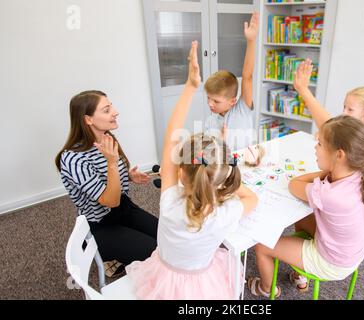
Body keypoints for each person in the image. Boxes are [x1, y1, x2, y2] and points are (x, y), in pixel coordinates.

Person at [125, 41, 258, 300]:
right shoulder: (224, 213)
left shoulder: (170, 200)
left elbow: (170, 138)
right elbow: (252, 198)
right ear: (220, 179)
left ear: (181, 173)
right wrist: (226, 169)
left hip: (164, 277)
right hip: (205, 285)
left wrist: (190, 85)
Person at [248, 115, 364, 298]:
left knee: (261, 246)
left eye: (320, 143)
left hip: (331, 262)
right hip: (352, 252)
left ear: (339, 155)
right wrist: (332, 168)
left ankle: (266, 289)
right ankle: (299, 276)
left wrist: (326, 170)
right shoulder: (361, 172)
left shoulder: (329, 195)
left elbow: (293, 184)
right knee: (304, 216)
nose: (315, 147)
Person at [55, 90, 158, 276]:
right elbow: (110, 201)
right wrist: (111, 162)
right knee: (158, 255)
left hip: (124, 209)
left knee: (169, 240)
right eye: (107, 109)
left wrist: (127, 176)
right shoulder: (72, 159)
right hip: (102, 224)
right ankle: (105, 253)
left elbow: (107, 179)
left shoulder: (106, 138)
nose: (115, 112)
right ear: (88, 120)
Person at [294, 46, 364, 137]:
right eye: (344, 107)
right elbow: (327, 127)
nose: (344, 112)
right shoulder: (344, 127)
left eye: (350, 109)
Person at [204, 12, 259, 150]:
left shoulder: (242, 108)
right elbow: (209, 153)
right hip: (224, 167)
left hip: (246, 165)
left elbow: (247, 76)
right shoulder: (210, 121)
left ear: (232, 100)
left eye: (216, 101)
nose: (210, 103)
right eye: (209, 98)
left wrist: (251, 41)